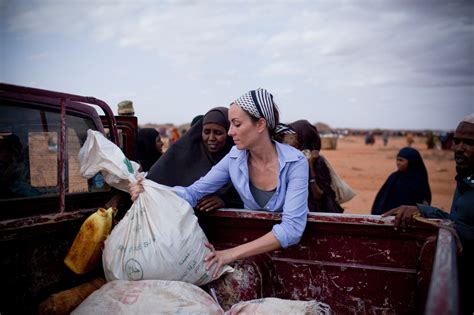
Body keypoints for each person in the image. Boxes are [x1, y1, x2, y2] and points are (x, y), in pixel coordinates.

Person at [130, 88, 309, 278]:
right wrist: (149, 190)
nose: (230, 132)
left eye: (237, 124)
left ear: (260, 125)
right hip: (251, 249)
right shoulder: (235, 158)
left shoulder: (295, 163)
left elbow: (291, 228)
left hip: (295, 258)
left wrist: (230, 253)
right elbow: (192, 193)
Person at [382, 113, 474, 314]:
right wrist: (422, 210)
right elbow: (460, 220)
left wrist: (449, 227)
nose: (459, 148)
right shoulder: (465, 180)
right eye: (456, 141)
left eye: (469, 143)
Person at [147, 107, 243, 210]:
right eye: (206, 132)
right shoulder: (182, 155)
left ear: (229, 134)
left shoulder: (239, 159)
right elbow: (190, 192)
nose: (211, 138)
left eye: (218, 133)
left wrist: (225, 201)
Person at [281, 120, 344, 213]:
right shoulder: (290, 159)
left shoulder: (318, 162)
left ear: (303, 138)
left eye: (293, 136)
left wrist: (309, 168)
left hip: (316, 215)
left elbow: (319, 194)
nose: (286, 140)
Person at [371, 147, 431, 215]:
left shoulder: (419, 181)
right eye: (397, 160)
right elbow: (382, 199)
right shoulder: (394, 177)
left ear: (411, 162)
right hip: (387, 218)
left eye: (401, 160)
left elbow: (424, 205)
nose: (398, 163)